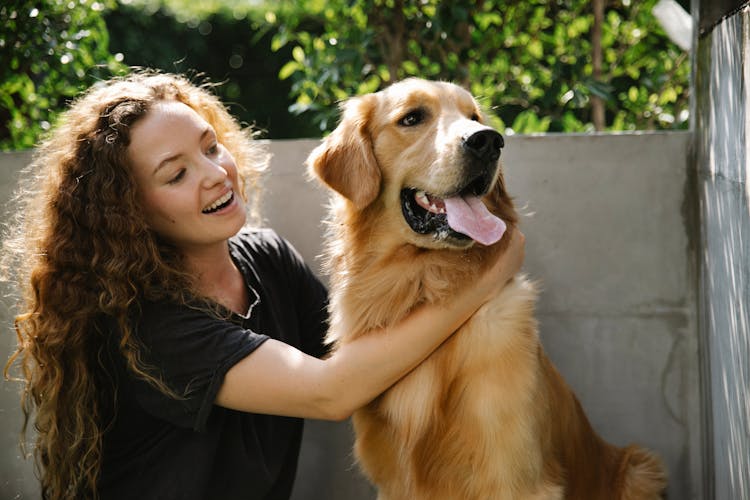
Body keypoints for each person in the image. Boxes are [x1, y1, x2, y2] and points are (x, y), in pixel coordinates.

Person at [1, 71, 525, 500]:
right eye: (175, 174)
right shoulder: (146, 325)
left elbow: (371, 356)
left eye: (210, 147)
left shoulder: (267, 258)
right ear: (129, 212)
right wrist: (487, 278)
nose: (214, 174)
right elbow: (333, 390)